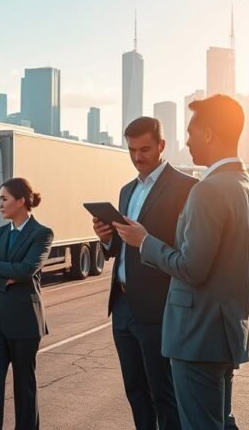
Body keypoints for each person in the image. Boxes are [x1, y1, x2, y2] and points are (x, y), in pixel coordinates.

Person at [113, 94, 249, 430]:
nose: (187, 141)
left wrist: (145, 242)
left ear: (209, 134)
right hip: (227, 330)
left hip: (196, 334)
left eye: (191, 133)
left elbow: (190, 268)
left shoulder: (207, 190)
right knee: (220, 422)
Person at [93, 117, 197, 430]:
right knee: (135, 392)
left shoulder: (187, 188)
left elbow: (186, 250)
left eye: (145, 149)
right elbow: (122, 249)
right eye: (132, 150)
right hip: (122, 307)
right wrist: (106, 238)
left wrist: (144, 238)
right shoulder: (127, 191)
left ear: (162, 146)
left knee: (164, 393)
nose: (138, 157)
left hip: (159, 307)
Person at [0, 177, 54, 430]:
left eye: (4, 198)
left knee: (24, 386)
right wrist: (5, 280)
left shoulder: (41, 233)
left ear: (21, 201)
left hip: (24, 322)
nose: (0, 203)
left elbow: (26, 269)